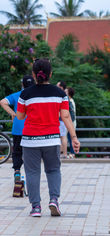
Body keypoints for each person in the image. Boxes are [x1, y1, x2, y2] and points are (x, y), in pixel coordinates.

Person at [16, 59, 80, 217]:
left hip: (30, 140)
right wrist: (74, 137)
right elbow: (65, 116)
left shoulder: (25, 94)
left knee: (32, 172)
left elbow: (19, 116)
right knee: (53, 170)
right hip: (51, 139)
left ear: (33, 74)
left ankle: (36, 207)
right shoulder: (60, 94)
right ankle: (53, 200)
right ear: (50, 74)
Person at [0, 75, 35, 192]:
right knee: (31, 153)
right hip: (32, 129)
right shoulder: (36, 95)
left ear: (22, 84)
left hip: (18, 129)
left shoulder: (17, 95)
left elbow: (2, 102)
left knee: (17, 152)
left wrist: (13, 114)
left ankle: (17, 173)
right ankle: (31, 177)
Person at [56, 81, 68, 158]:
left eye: (57, 85)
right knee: (62, 136)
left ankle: (64, 154)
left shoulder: (60, 95)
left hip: (60, 119)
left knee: (62, 137)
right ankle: (63, 153)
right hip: (63, 119)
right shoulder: (64, 96)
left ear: (61, 87)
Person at [66, 87, 76, 158]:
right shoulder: (71, 100)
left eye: (66, 91)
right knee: (69, 138)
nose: (65, 91)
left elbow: (72, 114)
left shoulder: (70, 101)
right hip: (71, 122)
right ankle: (72, 153)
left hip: (71, 122)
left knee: (70, 138)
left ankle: (72, 153)